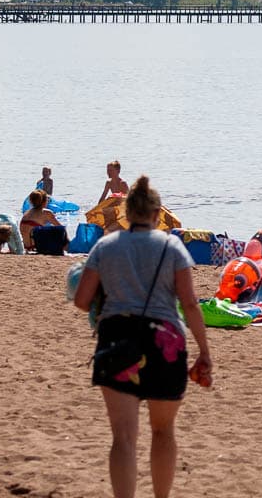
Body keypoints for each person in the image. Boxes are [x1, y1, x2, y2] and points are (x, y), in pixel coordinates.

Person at [72, 175, 211, 498]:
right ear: (157, 213)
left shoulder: (106, 246)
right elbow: (189, 303)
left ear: (125, 213)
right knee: (163, 432)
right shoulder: (172, 246)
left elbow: (81, 300)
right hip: (166, 342)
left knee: (123, 437)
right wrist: (205, 351)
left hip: (117, 338)